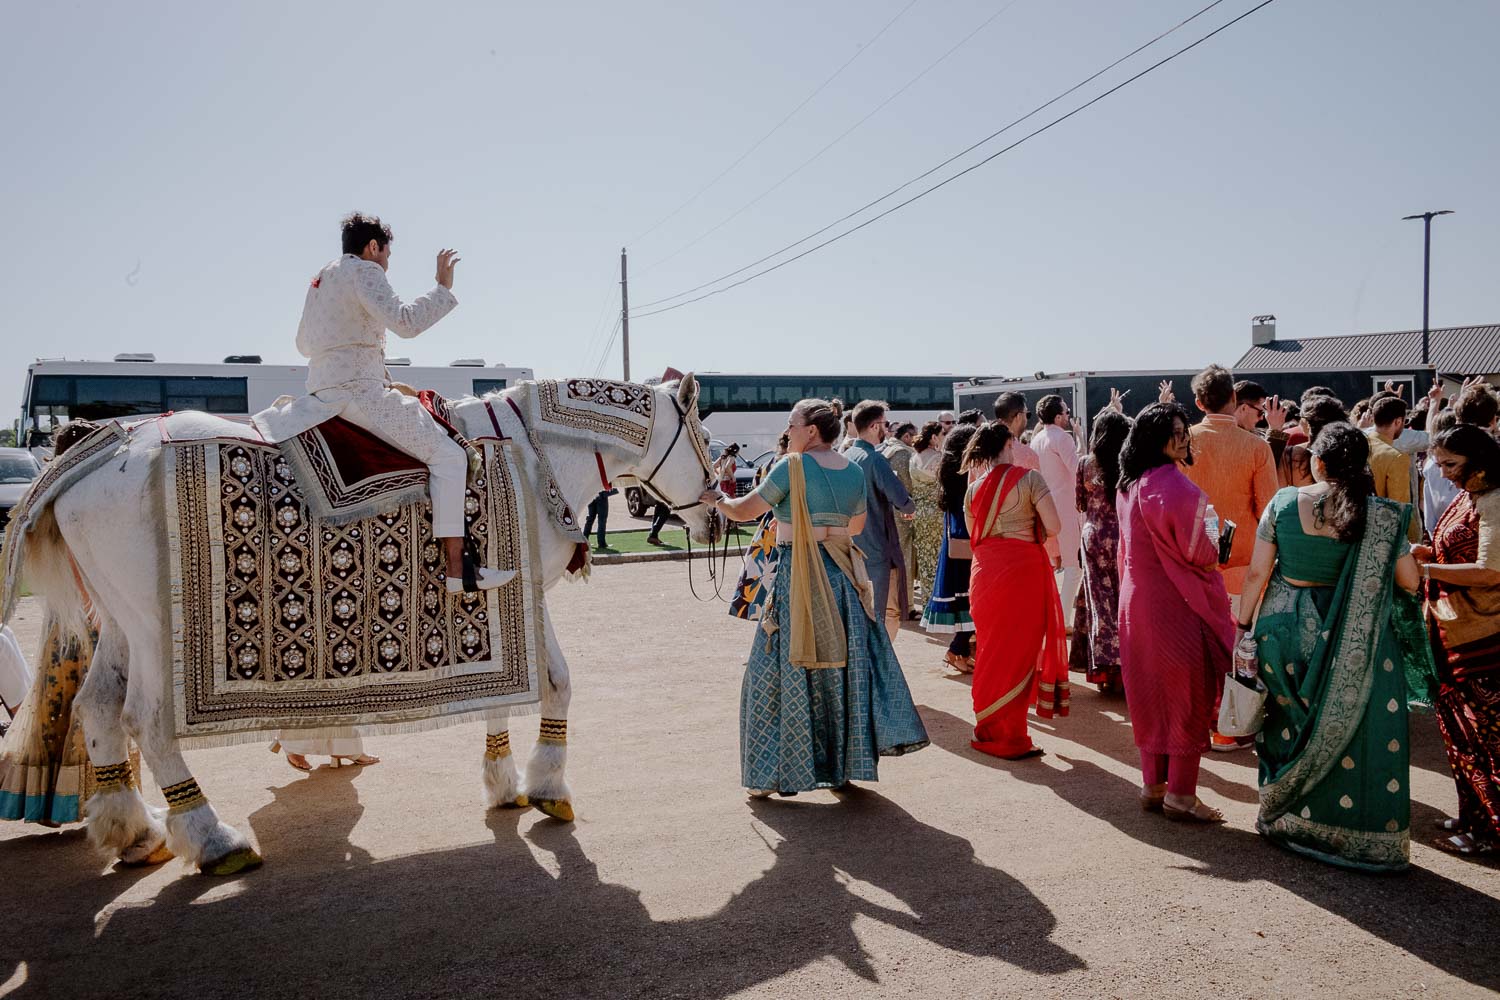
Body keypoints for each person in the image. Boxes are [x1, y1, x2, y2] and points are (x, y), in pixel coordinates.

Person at [704, 398, 929, 796]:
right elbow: (855, 526)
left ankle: (776, 775)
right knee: (840, 674)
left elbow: (743, 511)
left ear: (810, 431)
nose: (787, 431)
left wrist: (714, 499)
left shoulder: (791, 467)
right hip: (842, 580)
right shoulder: (853, 470)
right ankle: (840, 768)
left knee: (775, 671)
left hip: (798, 579)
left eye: (792, 424)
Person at [1239, 423, 1426, 871]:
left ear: (1318, 462)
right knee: (1352, 730)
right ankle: (1348, 832)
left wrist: (1242, 625)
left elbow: (1257, 574)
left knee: (1285, 720)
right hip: (1351, 637)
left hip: (1282, 632)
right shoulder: (1380, 515)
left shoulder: (1283, 503)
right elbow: (1409, 581)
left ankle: (1287, 817)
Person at [295, 212, 509, 594]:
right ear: (373, 247)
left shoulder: (320, 278)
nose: (388, 264)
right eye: (387, 255)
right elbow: (406, 323)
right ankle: (460, 571)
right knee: (451, 457)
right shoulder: (364, 271)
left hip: (319, 393)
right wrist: (442, 289)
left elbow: (303, 346)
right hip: (358, 394)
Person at [1116, 403, 1234, 823]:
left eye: (1185, 430)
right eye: (1177, 431)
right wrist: (1220, 547)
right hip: (1176, 605)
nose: (1185, 438)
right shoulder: (1178, 490)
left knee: (1149, 693)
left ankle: (1153, 786)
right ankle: (1181, 795)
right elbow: (1202, 556)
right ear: (1156, 438)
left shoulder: (1129, 485)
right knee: (1187, 696)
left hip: (1136, 602)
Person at [1414, 425, 1500, 856]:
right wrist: (1426, 554)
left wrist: (1426, 572)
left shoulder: (1495, 501)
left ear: (1478, 460)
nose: (1443, 473)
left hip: (1485, 639)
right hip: (1454, 632)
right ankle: (1473, 815)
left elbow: (1491, 570)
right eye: (1440, 463)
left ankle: (1490, 831)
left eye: (1451, 464)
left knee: (1486, 742)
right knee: (1460, 735)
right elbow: (1454, 552)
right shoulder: (1468, 496)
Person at [963, 423, 1067, 759]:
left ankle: (989, 727)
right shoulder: (1030, 479)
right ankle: (1011, 734)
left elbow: (975, 534)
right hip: (1022, 574)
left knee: (992, 649)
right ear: (1010, 443)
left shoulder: (973, 489)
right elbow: (1054, 526)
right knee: (1020, 653)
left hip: (985, 575)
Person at [1181, 365, 1279, 606]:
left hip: (1191, 560)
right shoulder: (1257, 447)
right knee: (1240, 640)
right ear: (1234, 398)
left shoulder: (1182, 442)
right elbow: (1268, 510)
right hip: (1243, 564)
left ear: (1199, 403)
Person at [845, 401, 915, 640]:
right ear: (875, 426)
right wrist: (909, 507)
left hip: (851, 546)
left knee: (860, 612)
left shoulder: (846, 456)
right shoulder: (874, 459)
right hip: (878, 545)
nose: (887, 429)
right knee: (887, 612)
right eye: (885, 424)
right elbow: (901, 497)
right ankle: (882, 666)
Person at [1075, 408, 1132, 694]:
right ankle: (1127, 670)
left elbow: (1081, 504)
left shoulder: (1085, 464)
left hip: (1093, 537)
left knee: (1100, 607)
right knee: (1125, 603)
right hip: (1123, 537)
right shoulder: (1130, 466)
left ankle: (1105, 671)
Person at [923, 425, 979, 671]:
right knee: (970, 601)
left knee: (965, 602)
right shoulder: (966, 473)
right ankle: (956, 651)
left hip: (956, 542)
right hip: (966, 540)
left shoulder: (949, 472)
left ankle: (961, 651)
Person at [1031, 395, 1082, 625]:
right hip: (1067, 508)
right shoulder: (1062, 437)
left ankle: (1051, 615)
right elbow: (1077, 468)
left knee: (1055, 565)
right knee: (1073, 566)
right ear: (1059, 416)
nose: (1068, 416)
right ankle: (1061, 619)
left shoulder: (1038, 439)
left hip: (1044, 507)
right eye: (1066, 412)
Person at [729, 434, 790, 623]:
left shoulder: (768, 464)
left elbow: (756, 490)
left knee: (760, 574)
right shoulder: (790, 465)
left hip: (766, 524)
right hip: (784, 523)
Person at [1367, 395, 1419, 542]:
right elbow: (1401, 508)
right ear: (1398, 421)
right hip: (1381, 534)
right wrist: (1414, 541)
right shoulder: (1396, 458)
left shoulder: (1357, 444)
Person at [881, 423, 920, 618]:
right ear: (906, 436)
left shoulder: (885, 449)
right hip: (903, 510)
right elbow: (910, 484)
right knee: (905, 556)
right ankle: (908, 604)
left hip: (887, 510)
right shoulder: (904, 455)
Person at [1279, 395, 1348, 488]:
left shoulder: (1290, 455)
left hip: (1302, 501)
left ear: (1306, 423)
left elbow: (1279, 492)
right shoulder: (1349, 452)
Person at [1421, 409, 1461, 538]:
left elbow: (1429, 510)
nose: (1443, 473)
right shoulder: (1433, 465)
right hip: (1449, 529)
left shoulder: (1431, 463)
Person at [992, 393, 1041, 472]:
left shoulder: (980, 451)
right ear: (1019, 416)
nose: (1026, 419)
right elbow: (1037, 483)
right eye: (1027, 414)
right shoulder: (1027, 455)